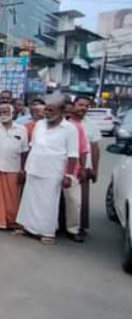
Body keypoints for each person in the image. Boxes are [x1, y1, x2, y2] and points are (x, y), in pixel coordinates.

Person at [15, 95, 78, 245]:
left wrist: (68, 175)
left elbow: (73, 155)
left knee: (49, 203)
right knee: (29, 199)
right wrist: (25, 168)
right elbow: (32, 147)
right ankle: (27, 227)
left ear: (62, 111)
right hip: (34, 167)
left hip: (53, 171)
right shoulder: (39, 125)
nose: (47, 113)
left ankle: (47, 232)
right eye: (46, 109)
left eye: (51, 110)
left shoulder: (69, 129)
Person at [0, 103, 28, 230]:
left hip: (14, 168)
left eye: (6, 111)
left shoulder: (21, 129)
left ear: (12, 113)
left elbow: (25, 151)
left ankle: (11, 221)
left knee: (12, 198)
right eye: (0, 112)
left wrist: (23, 170)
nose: (3, 114)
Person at [62, 99, 91, 242]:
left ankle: (73, 229)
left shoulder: (77, 127)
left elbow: (84, 150)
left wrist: (83, 168)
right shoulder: (48, 125)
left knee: (74, 201)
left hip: (72, 169)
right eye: (64, 110)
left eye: (68, 110)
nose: (66, 113)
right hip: (51, 168)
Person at [73, 95, 101, 239]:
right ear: (74, 105)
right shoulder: (66, 122)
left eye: (86, 106)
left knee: (81, 200)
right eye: (80, 105)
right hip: (64, 166)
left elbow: (95, 148)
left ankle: (80, 227)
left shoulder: (91, 125)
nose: (83, 108)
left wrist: (95, 169)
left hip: (84, 167)